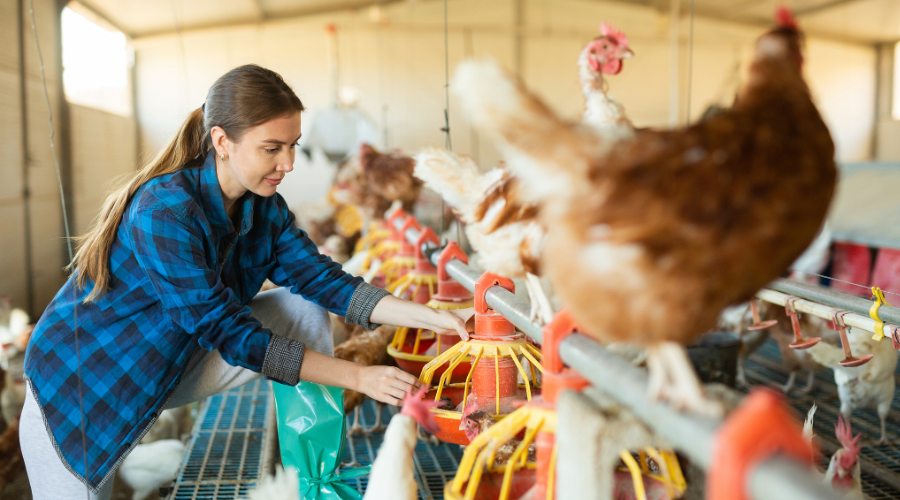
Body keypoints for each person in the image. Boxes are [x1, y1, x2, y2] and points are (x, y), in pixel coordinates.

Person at [20, 64, 471, 500]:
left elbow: (323, 281)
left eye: (293, 145)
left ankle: (311, 475)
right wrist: (360, 377)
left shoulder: (263, 208)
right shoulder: (165, 210)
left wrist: (434, 317)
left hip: (170, 358)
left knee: (303, 309)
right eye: (272, 148)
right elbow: (226, 330)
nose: (288, 163)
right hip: (84, 385)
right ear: (222, 141)